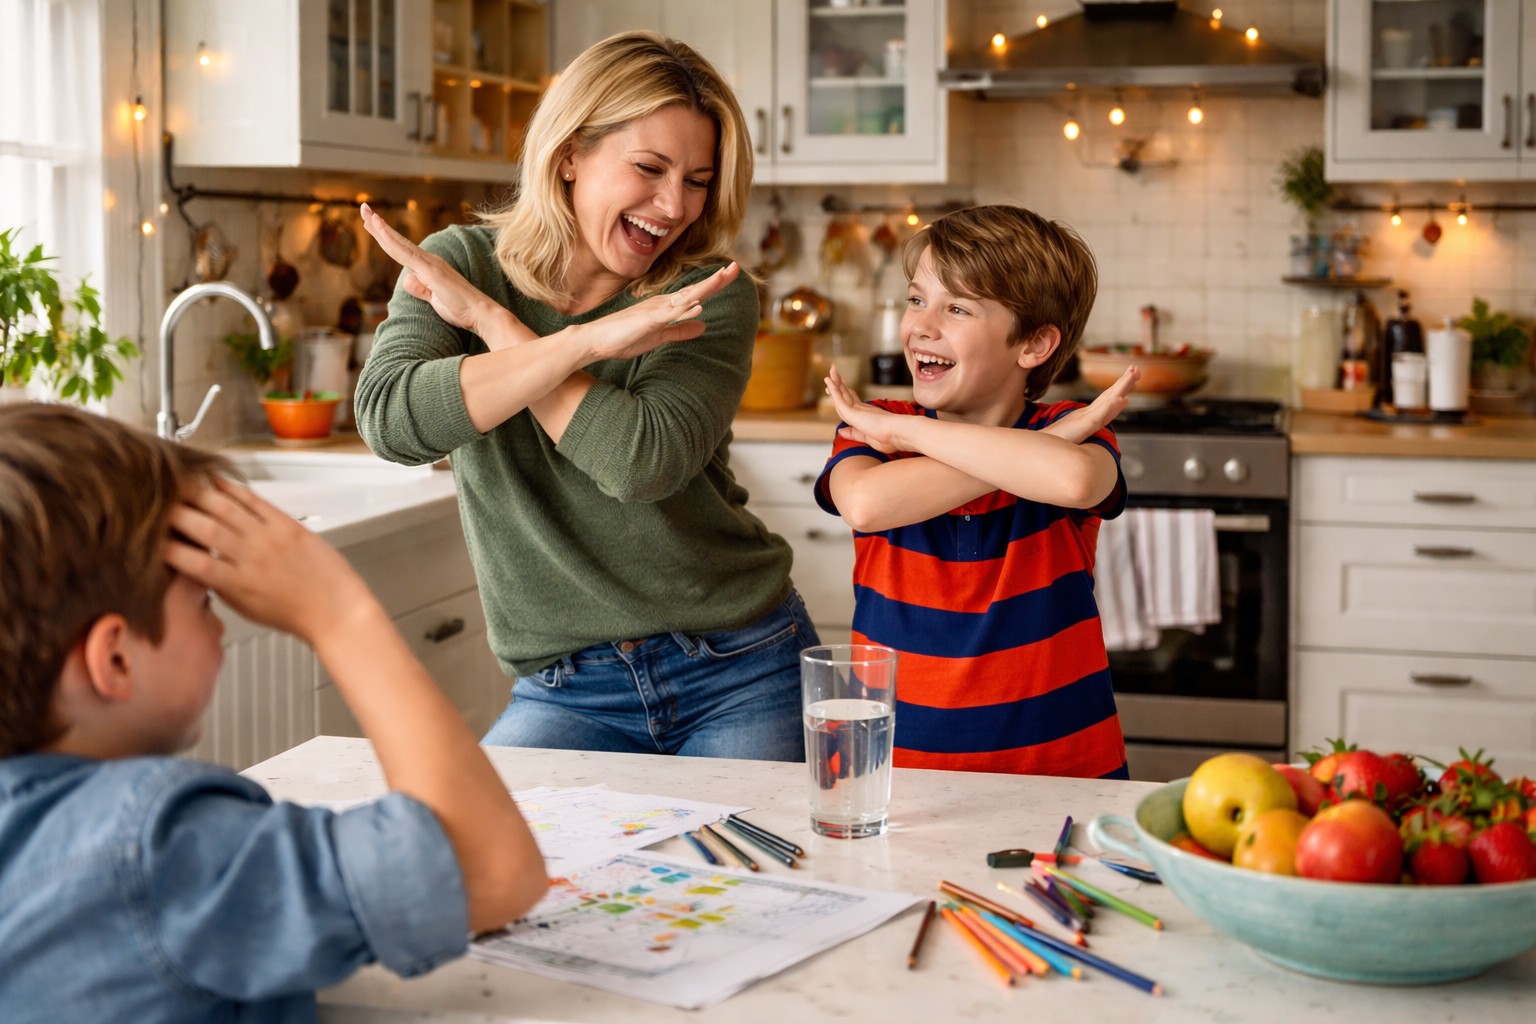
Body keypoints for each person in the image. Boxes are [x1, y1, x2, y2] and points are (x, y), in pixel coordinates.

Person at [0, 403, 547, 1023]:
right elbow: (491, 871)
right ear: (116, 661)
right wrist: (340, 615)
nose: (219, 625)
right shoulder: (163, 854)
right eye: (206, 604)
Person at [354, 31, 815, 762]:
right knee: (491, 861)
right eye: (650, 168)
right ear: (570, 153)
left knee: (740, 875)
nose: (675, 205)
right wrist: (581, 343)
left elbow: (641, 463)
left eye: (698, 179)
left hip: (739, 665)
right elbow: (391, 422)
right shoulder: (463, 263)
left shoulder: (705, 294)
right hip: (569, 688)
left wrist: (491, 326)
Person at [817, 204, 1139, 779]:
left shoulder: (1062, 428)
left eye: (957, 308)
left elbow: (1076, 480)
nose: (922, 324)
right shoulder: (873, 426)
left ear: (1035, 345)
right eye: (917, 299)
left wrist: (909, 432)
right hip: (898, 779)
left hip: (1061, 778)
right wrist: (900, 428)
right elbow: (866, 503)